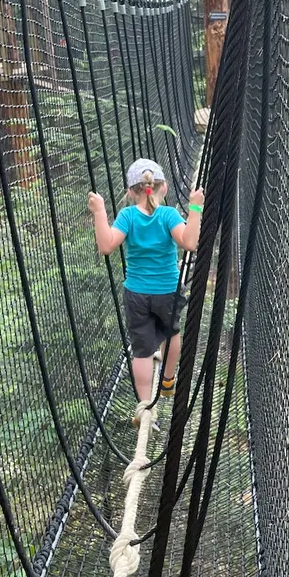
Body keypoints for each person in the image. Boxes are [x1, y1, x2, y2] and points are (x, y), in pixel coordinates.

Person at [88, 158, 204, 425]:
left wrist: (99, 212)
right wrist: (195, 206)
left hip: (137, 294)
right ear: (162, 188)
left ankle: (144, 405)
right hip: (167, 291)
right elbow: (189, 243)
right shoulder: (168, 215)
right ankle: (168, 380)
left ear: (130, 192)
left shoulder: (127, 216)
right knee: (172, 333)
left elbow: (106, 246)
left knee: (141, 350)